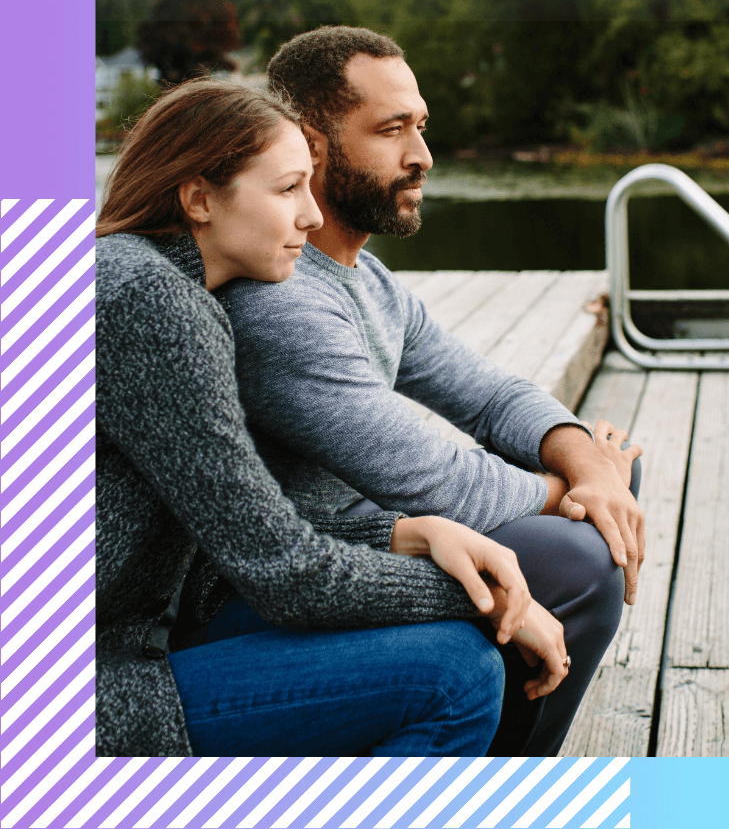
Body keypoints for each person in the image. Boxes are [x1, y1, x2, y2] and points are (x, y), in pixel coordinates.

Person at [95, 77, 569, 757]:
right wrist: (485, 600)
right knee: (456, 675)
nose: (313, 218)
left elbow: (225, 535)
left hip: (123, 650)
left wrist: (408, 532)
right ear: (199, 198)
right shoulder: (155, 306)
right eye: (288, 189)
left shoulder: (132, 278)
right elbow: (285, 576)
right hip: (90, 695)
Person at [220, 27, 645, 755]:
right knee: (582, 562)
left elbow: (488, 394)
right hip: (305, 567)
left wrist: (584, 458)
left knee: (615, 476)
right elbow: (429, 476)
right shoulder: (279, 300)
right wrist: (573, 487)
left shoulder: (365, 279)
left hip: (379, 527)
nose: (422, 157)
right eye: (392, 131)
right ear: (312, 144)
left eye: (421, 126)